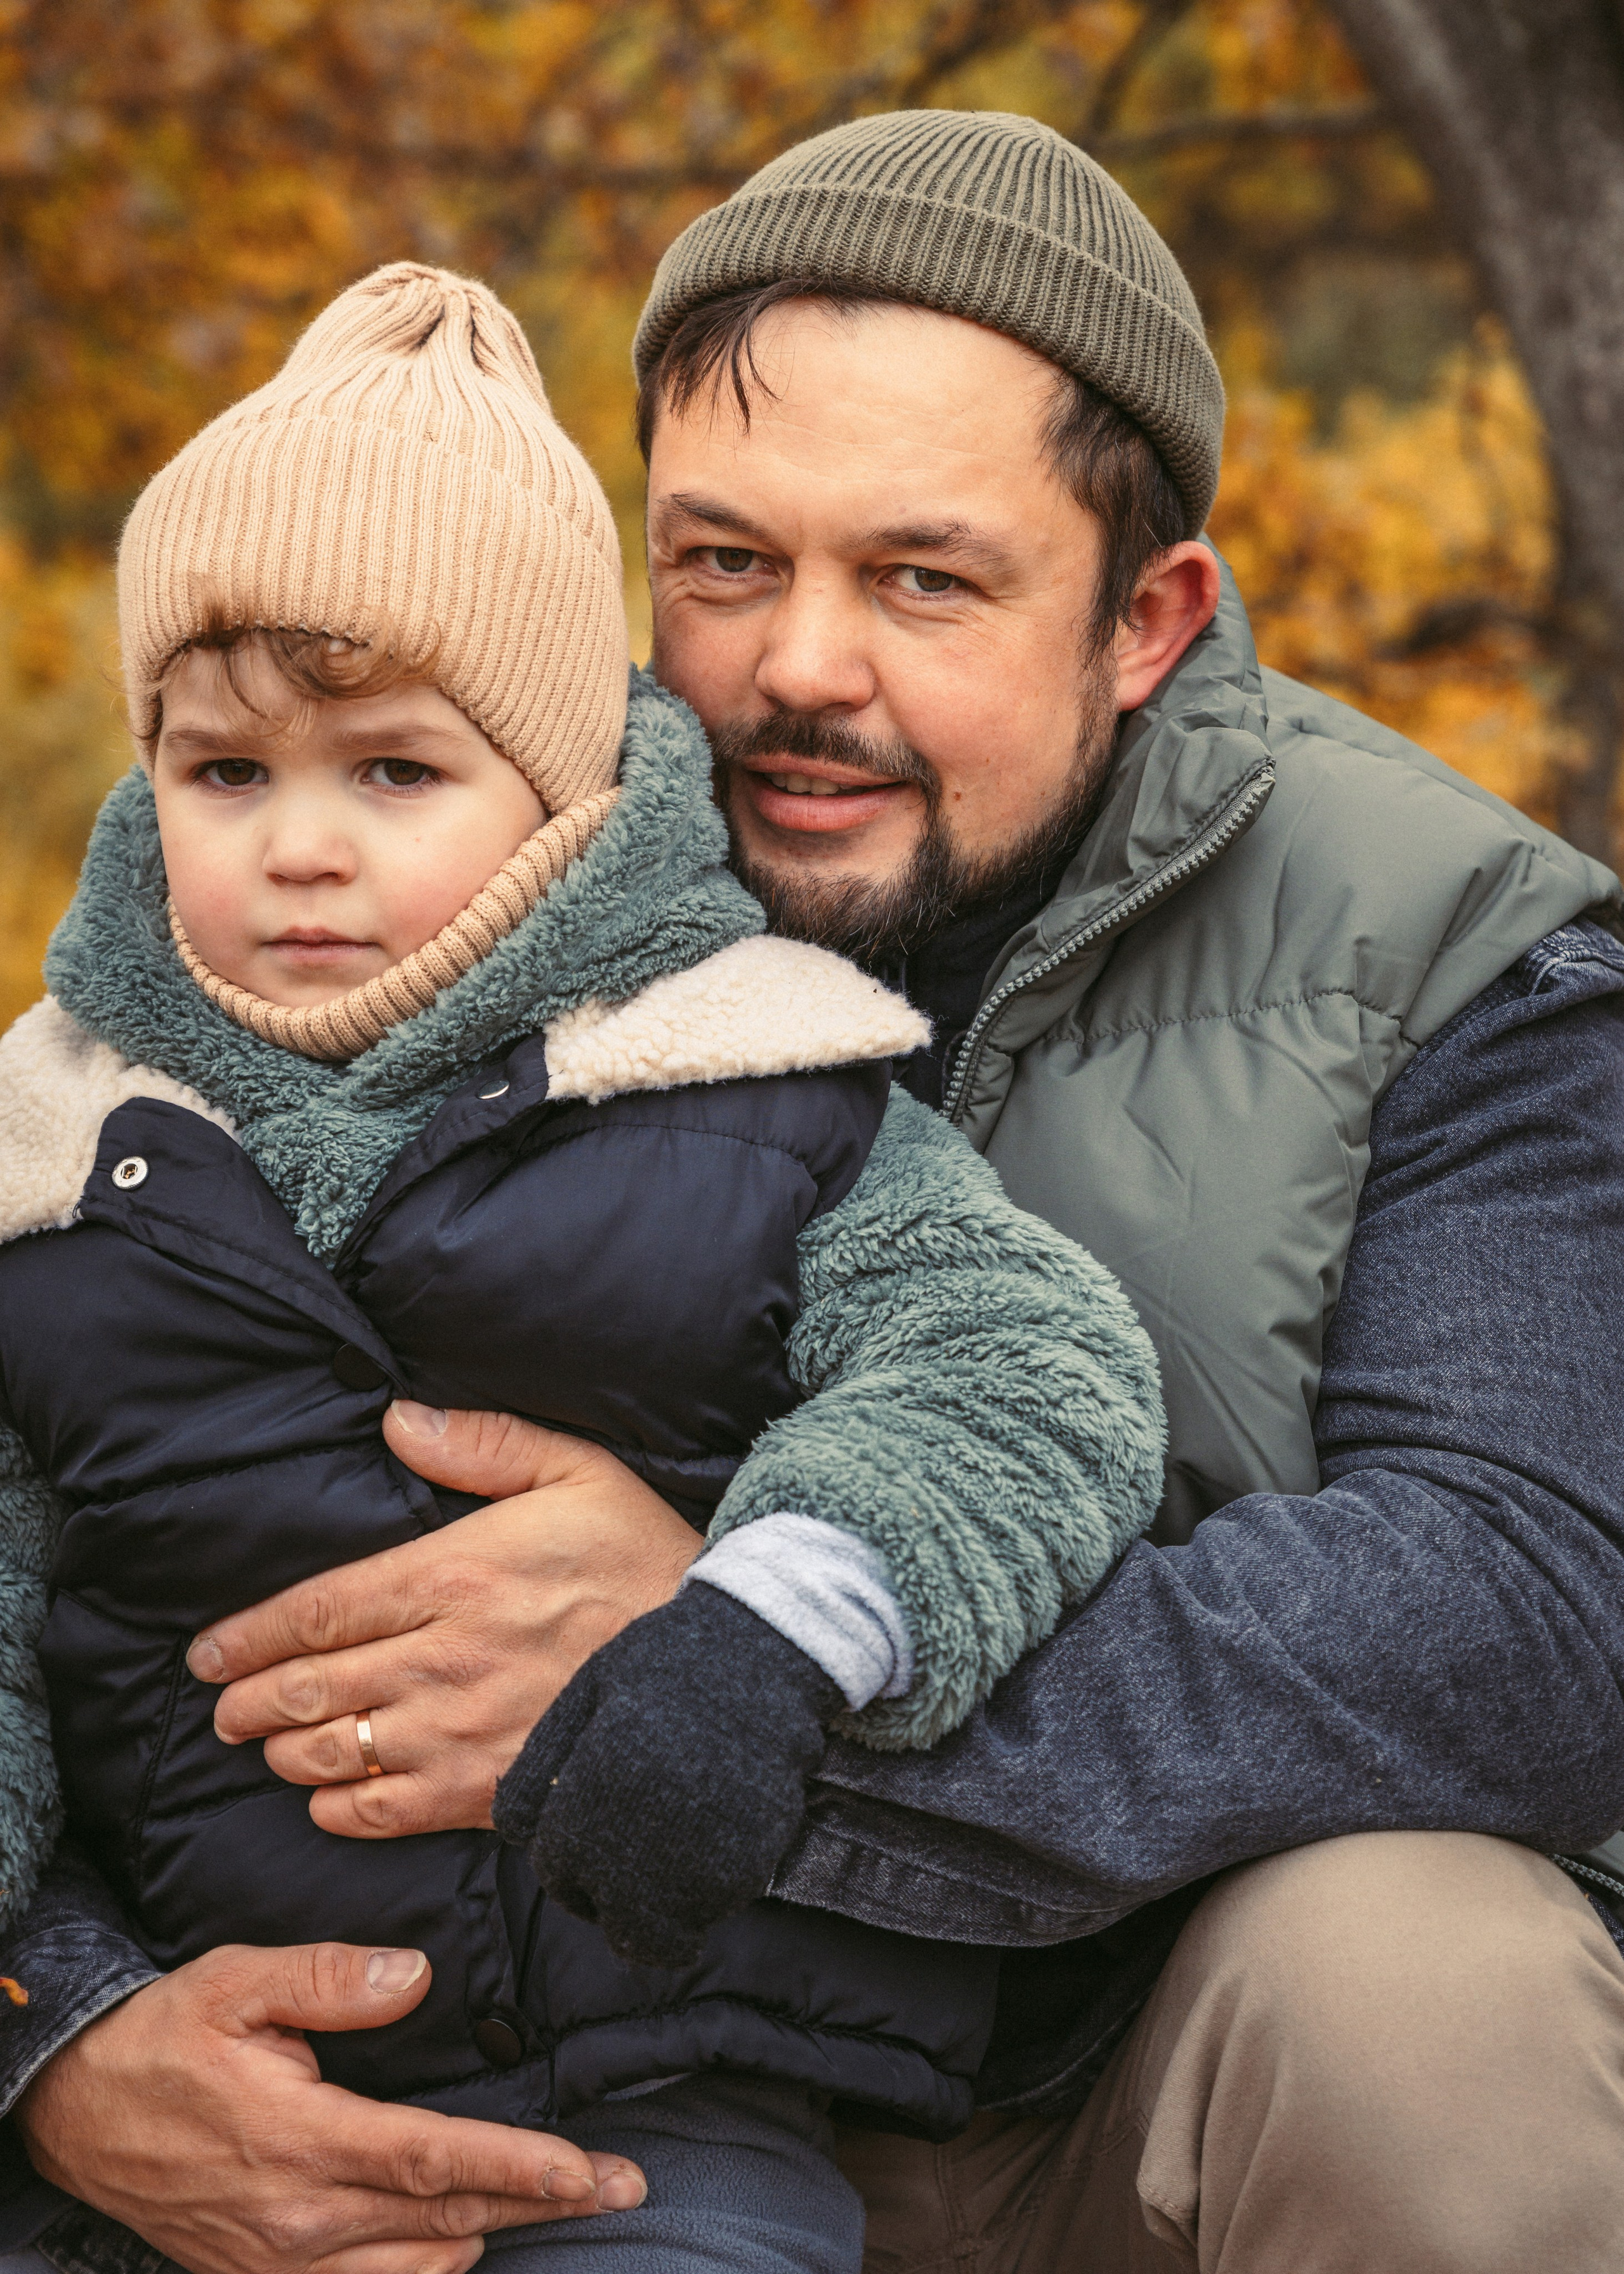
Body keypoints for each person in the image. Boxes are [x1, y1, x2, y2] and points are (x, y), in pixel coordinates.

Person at [6, 105, 1624, 2274]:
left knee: (1425, 1981)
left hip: (1120, 2089)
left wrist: (736, 1675)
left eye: (924, 579)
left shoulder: (1457, 956)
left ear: (1147, 619)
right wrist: (63, 2039)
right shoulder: (364, 933)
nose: (796, 668)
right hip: (475, 2077)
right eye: (724, 561)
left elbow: (1523, 1612)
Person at [0, 257, 1169, 2274]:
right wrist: (40, 2016)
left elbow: (1028, 1372)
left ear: (556, 797)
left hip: (652, 2096)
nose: (296, 846)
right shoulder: (46, 1158)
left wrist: (768, 1628)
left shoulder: (742, 1077)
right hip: (175, 2085)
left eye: (391, 771)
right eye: (222, 772)